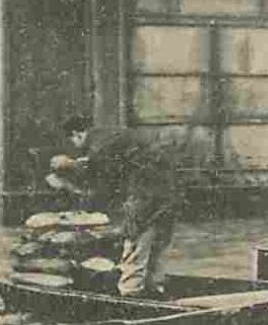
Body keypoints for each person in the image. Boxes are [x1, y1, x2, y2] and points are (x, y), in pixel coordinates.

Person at [49, 116, 181, 298]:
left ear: (76, 134)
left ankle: (130, 293)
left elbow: (104, 180)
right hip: (169, 190)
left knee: (136, 242)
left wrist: (70, 170)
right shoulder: (109, 135)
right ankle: (155, 288)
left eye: (72, 141)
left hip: (145, 194)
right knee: (159, 242)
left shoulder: (98, 145)